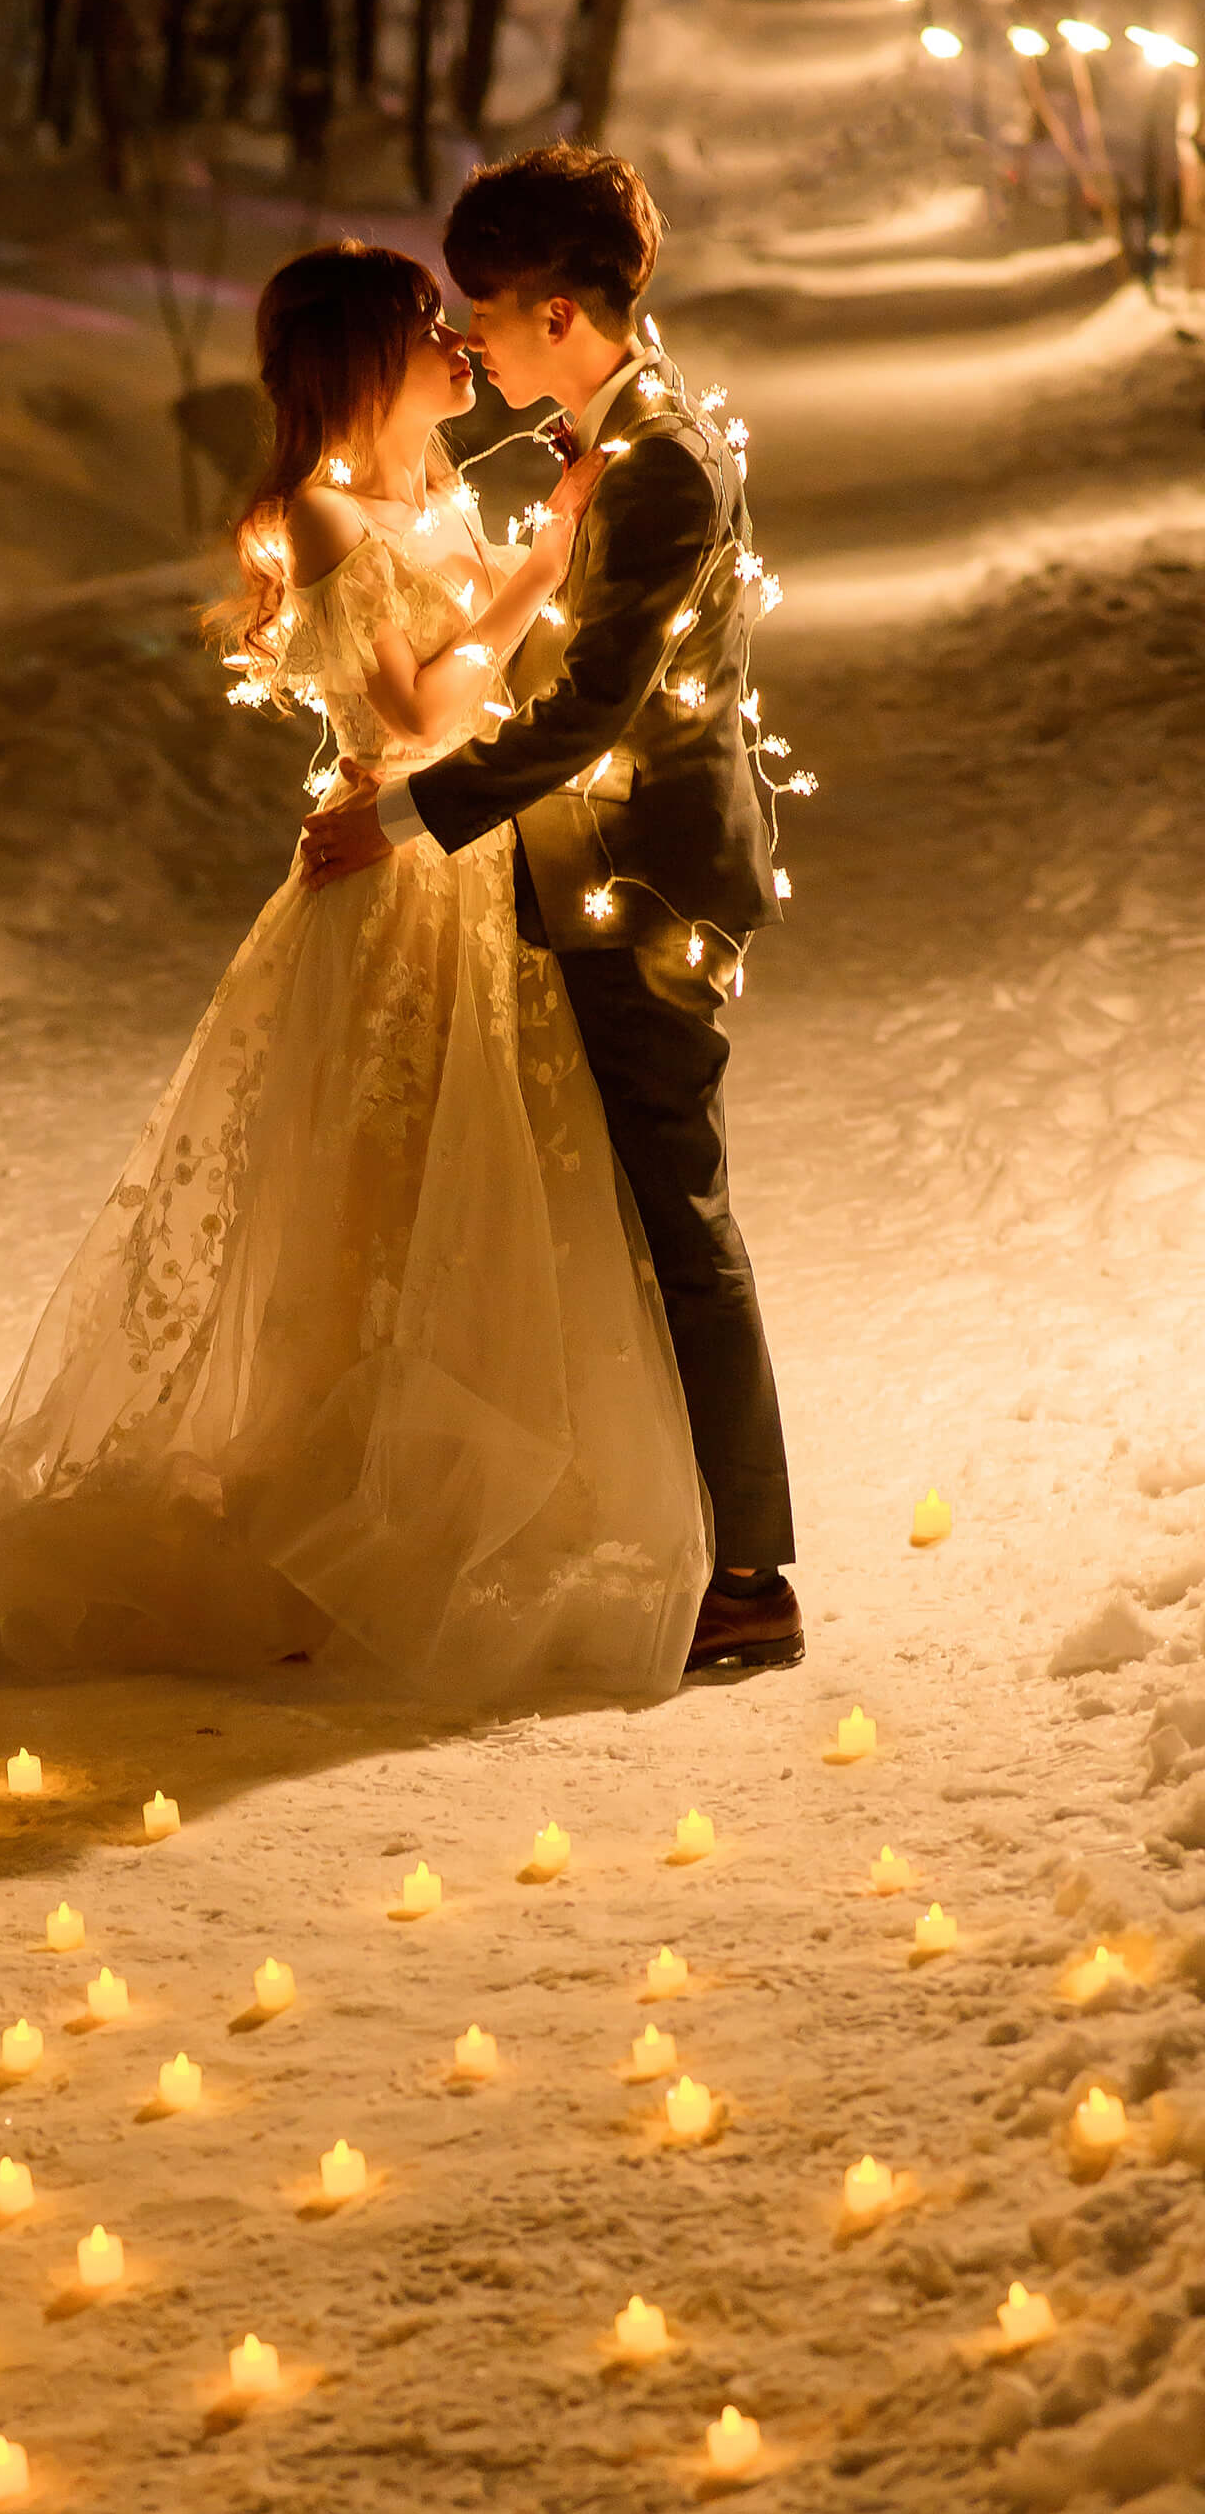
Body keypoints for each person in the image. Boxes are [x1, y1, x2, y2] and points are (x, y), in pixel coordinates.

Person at [0, 238, 709, 1710]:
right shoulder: (321, 512)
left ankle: (461, 1496)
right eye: (430, 327)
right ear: (366, 356)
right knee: (373, 1201)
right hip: (392, 876)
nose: (460, 345)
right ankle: (342, 1516)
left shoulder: (436, 491)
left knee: (490, 1182)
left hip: (476, 866)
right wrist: (540, 567)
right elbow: (419, 707)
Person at [301, 145, 799, 1674]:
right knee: (607, 1217)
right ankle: (662, 1536)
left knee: (676, 1218)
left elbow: (592, 711)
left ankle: (753, 1574)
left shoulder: (661, 462)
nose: (471, 343)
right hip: (590, 876)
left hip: (641, 891)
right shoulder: (619, 440)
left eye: (486, 314)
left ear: (559, 312)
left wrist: (398, 814)